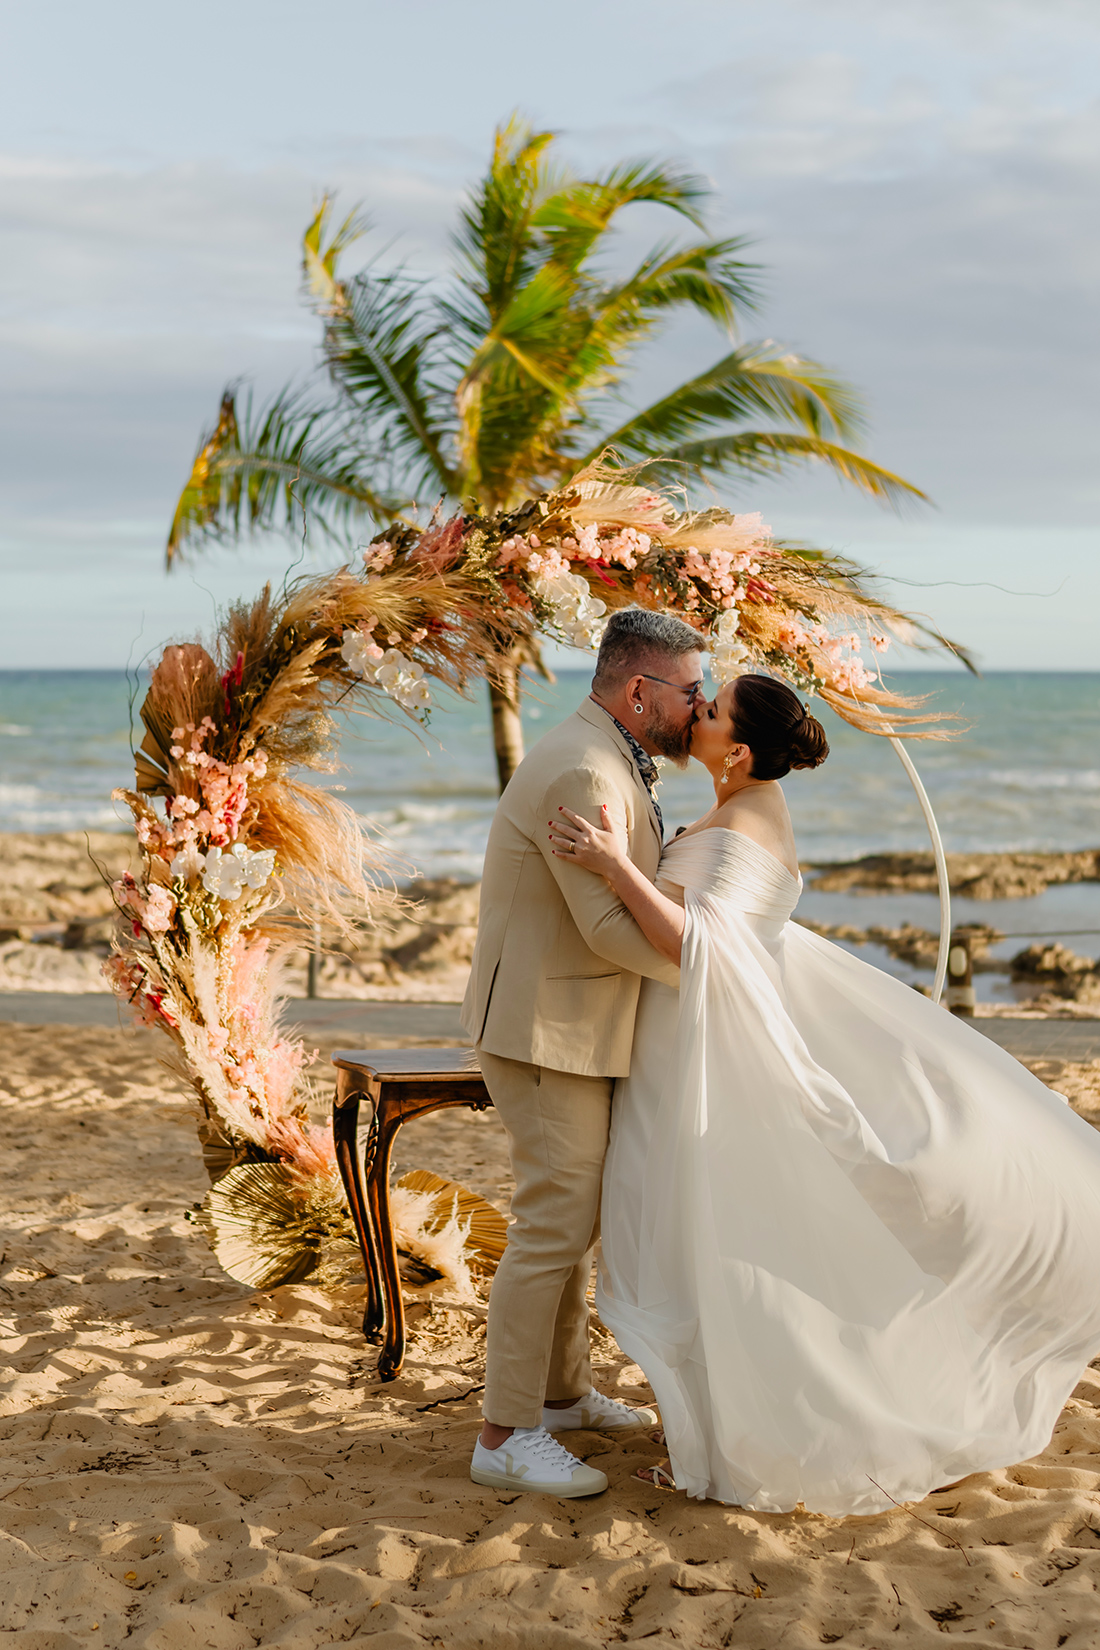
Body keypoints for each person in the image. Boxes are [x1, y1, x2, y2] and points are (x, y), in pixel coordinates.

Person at [549, 671, 1100, 1516]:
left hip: (711, 1054)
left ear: (734, 750)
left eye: (712, 707)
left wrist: (618, 865)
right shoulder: (746, 803)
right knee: (715, 1239)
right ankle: (718, 1428)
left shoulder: (744, 818)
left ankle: (752, 1439)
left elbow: (696, 945)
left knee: (725, 1240)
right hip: (691, 1044)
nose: (696, 709)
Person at [462, 608, 707, 1496]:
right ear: (640, 690)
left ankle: (560, 1398)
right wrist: (709, 973)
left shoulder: (606, 751)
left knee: (573, 1218)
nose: (700, 704)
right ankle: (504, 1436)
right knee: (553, 1224)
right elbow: (606, 931)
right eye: (690, 690)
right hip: (543, 1030)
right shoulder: (579, 763)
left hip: (571, 1025)